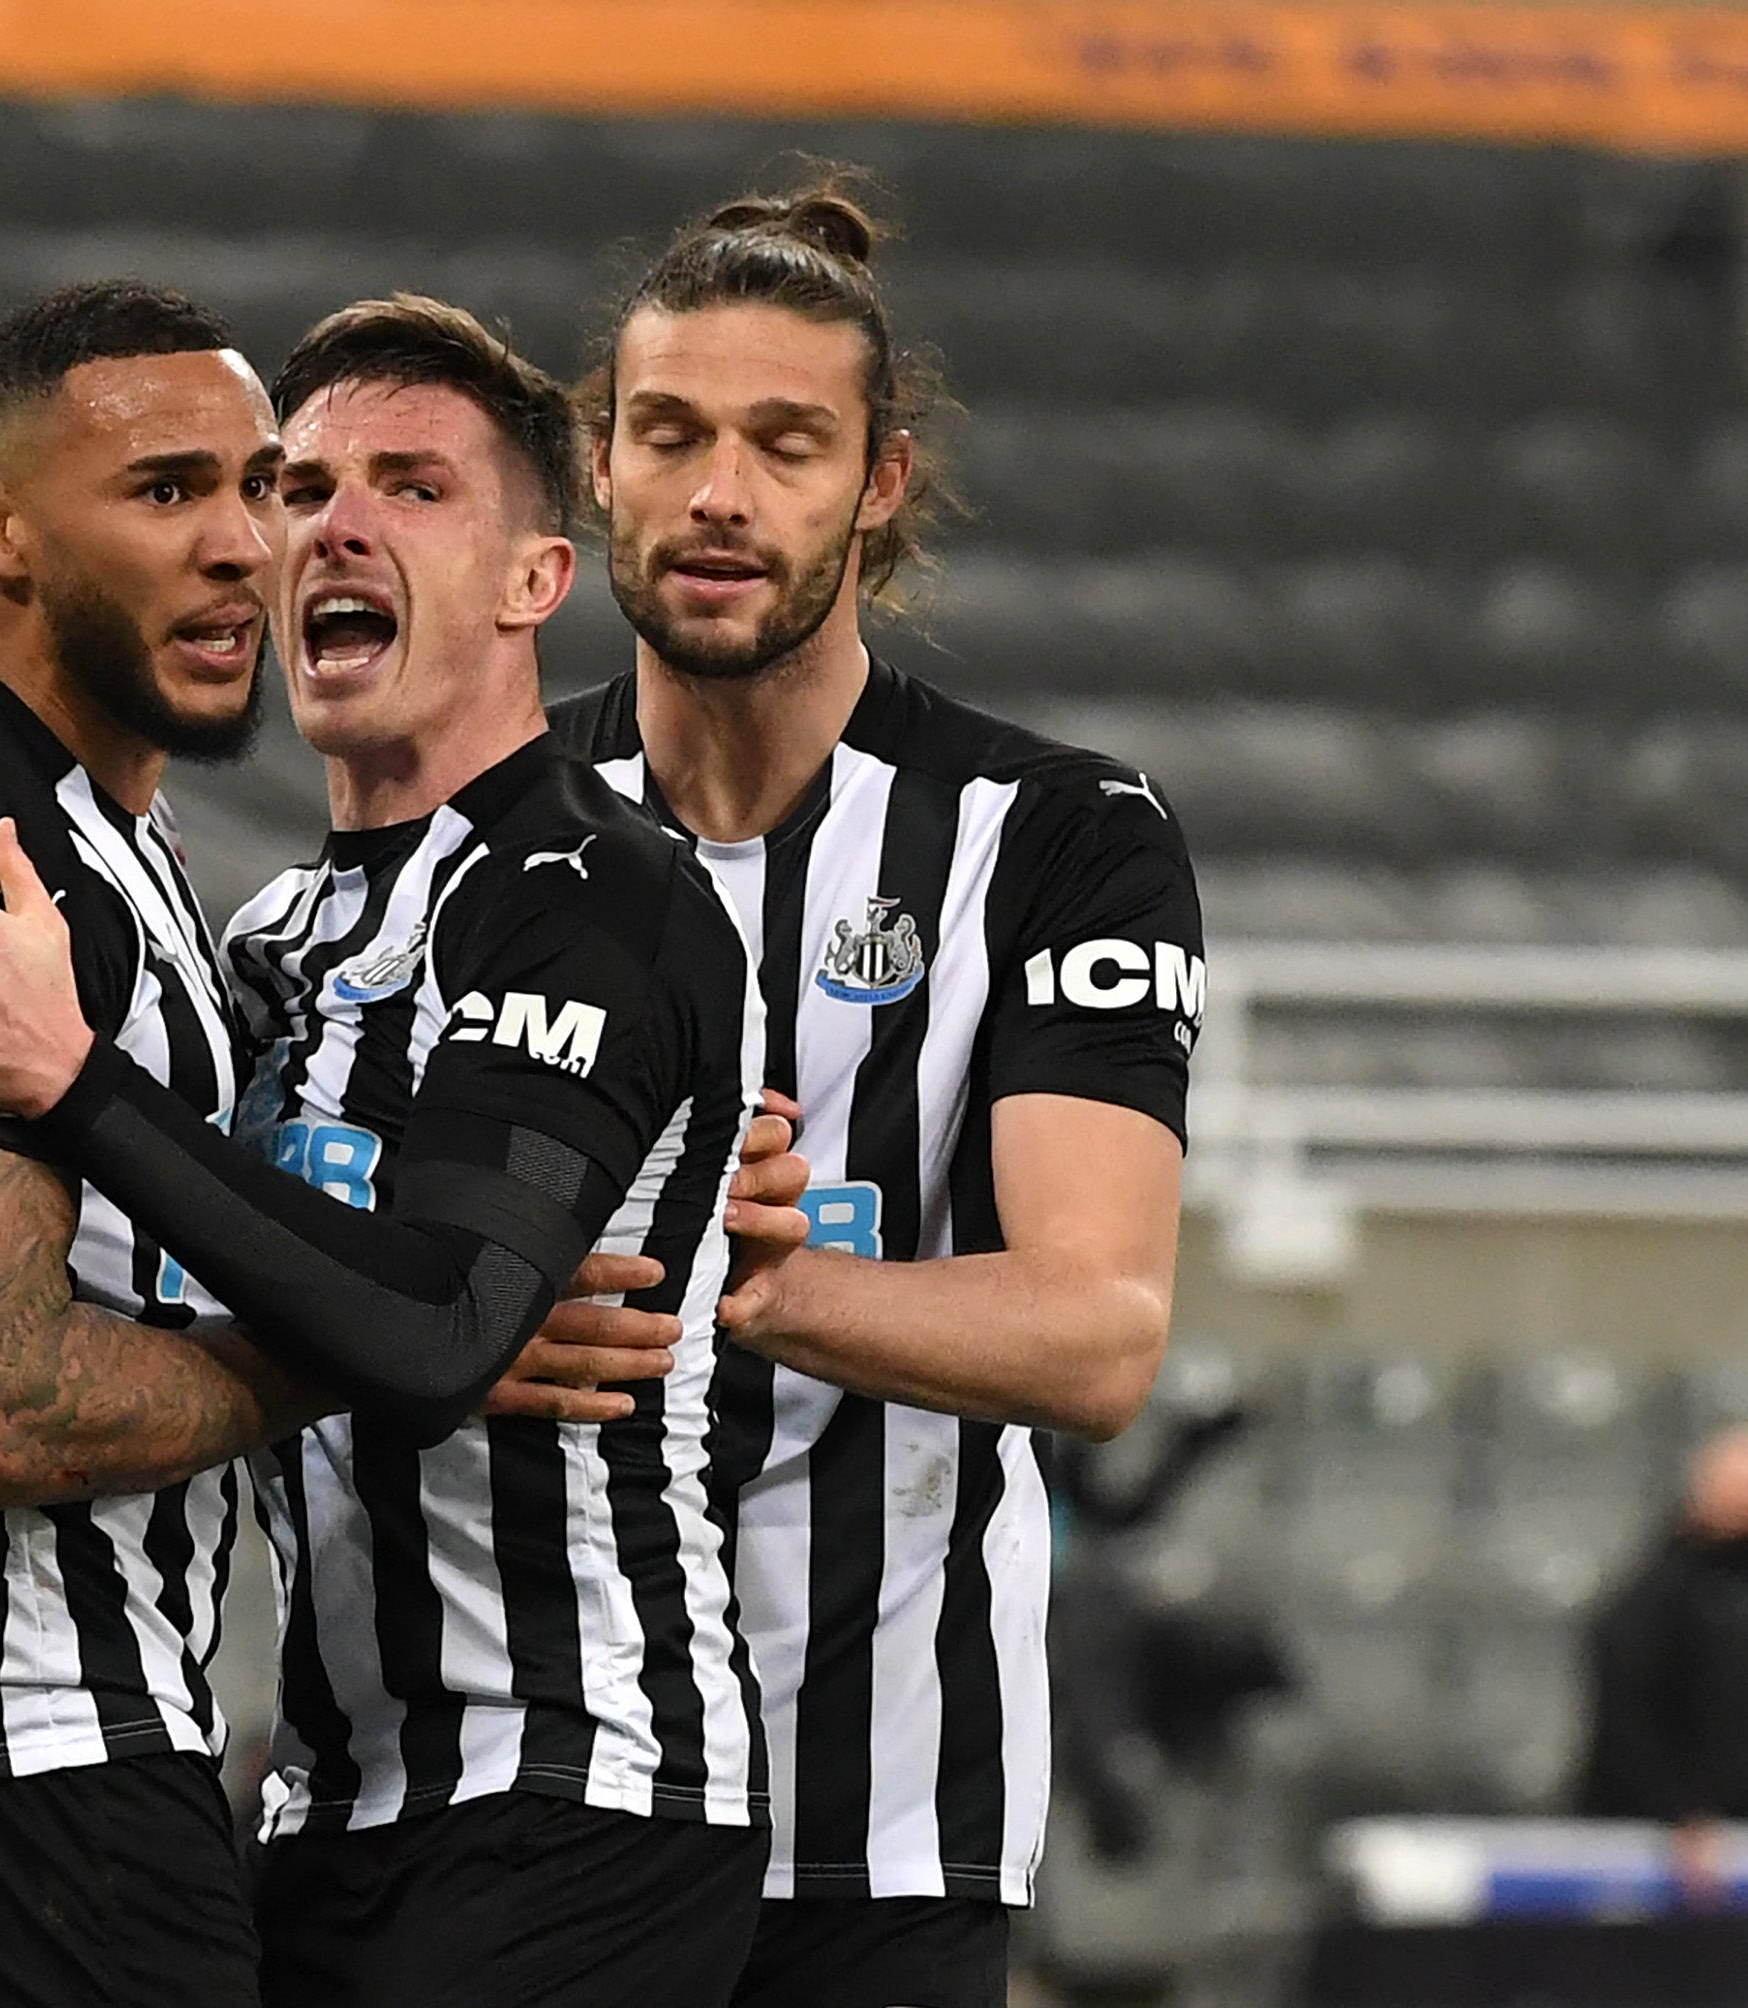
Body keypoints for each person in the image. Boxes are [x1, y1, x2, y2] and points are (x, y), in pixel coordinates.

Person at [0, 281, 700, 2008]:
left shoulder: (131, 853)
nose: (251, 544)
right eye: (172, 494)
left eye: (260, 486)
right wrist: (397, 1345)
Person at [552, 176, 1203, 2007]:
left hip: (880, 1822)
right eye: (670, 434)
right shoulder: (481, 831)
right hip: (515, 1811)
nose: (722, 496)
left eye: (787, 443)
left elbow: (1096, 1331)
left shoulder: (1059, 839)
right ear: (600, 464)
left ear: (882, 480)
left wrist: (750, 1282)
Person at [1577, 1425, 1748, 1846]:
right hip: (1669, 1851)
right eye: (1744, 1482)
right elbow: (1629, 1720)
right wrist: (1677, 1813)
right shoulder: (1655, 1600)